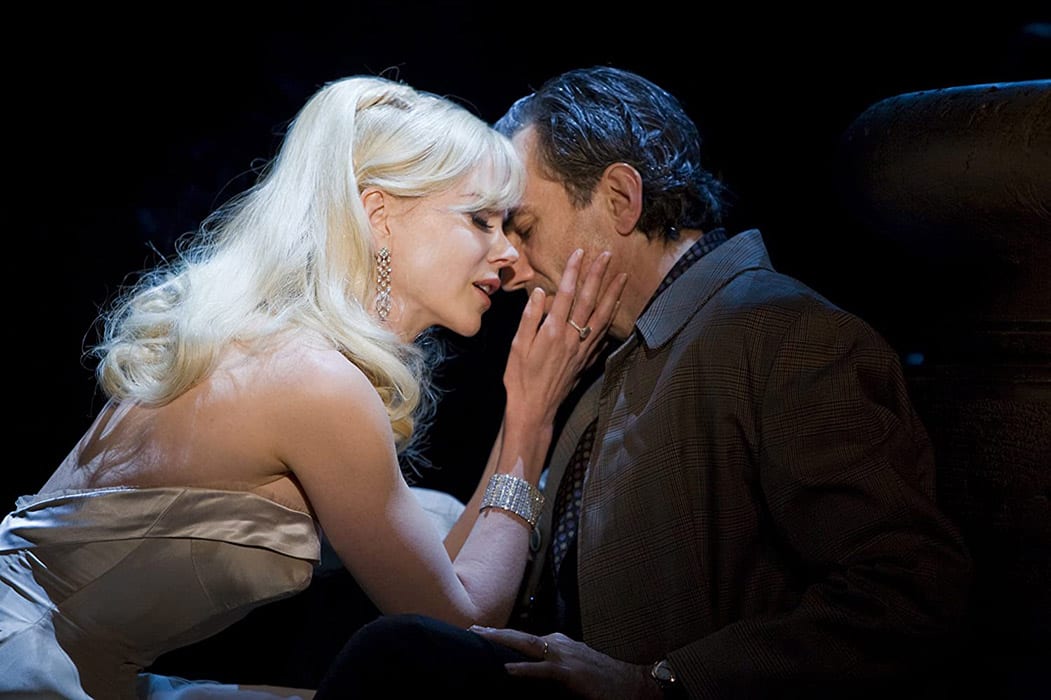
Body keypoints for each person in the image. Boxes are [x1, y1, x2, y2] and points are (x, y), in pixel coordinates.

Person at [313, 66, 975, 699]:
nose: (506, 262)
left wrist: (661, 683)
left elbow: (909, 591)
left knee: (395, 654)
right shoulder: (611, 358)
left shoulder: (781, 333)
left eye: (523, 225)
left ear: (619, 199)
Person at [0, 74, 625, 699]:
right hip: (28, 667)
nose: (509, 255)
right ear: (379, 216)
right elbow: (459, 626)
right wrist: (531, 420)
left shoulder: (283, 348)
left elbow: (438, 579)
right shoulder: (314, 381)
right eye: (481, 220)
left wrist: (520, 420)